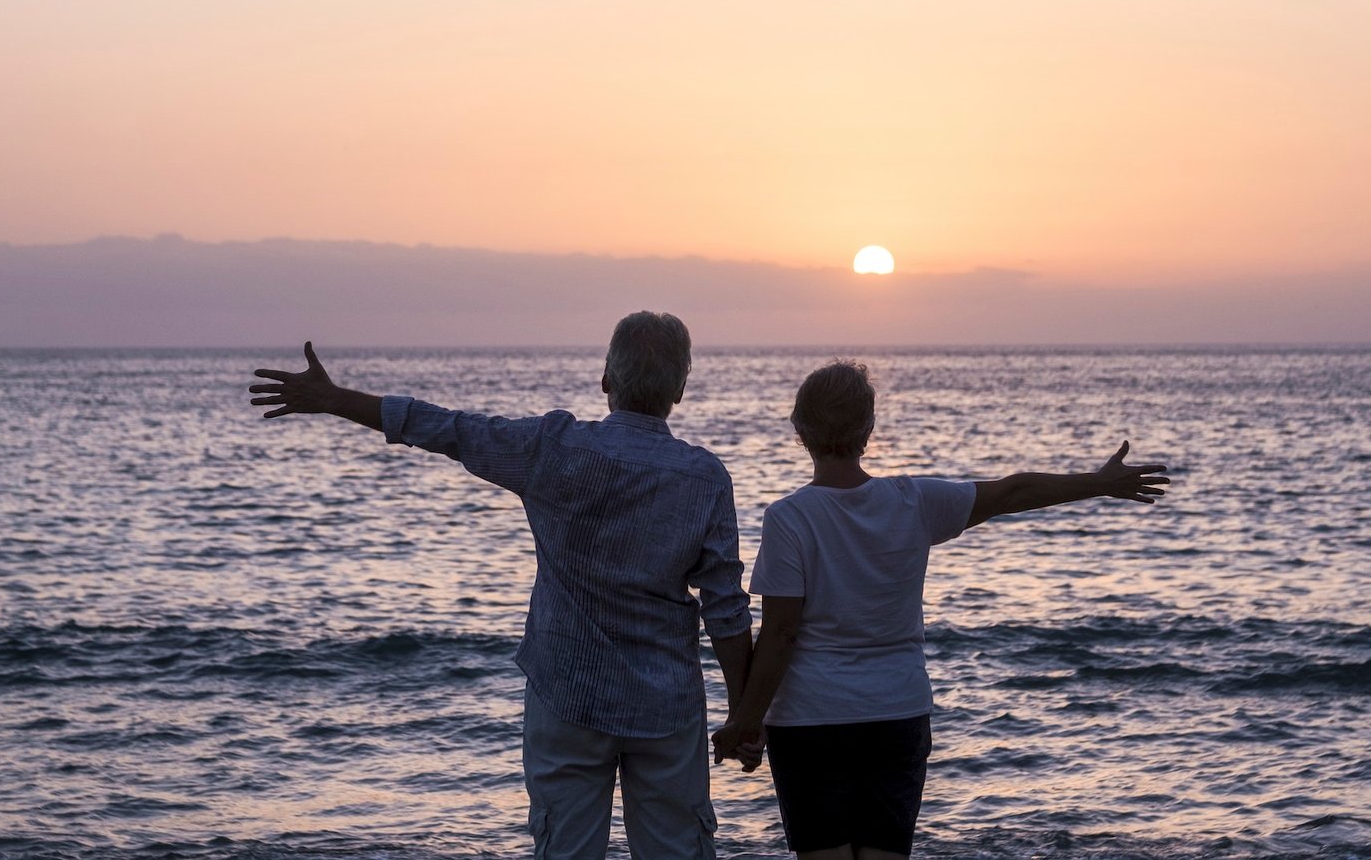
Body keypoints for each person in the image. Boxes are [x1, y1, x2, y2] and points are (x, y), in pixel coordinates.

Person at [249, 312, 754, 860]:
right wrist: (746, 715)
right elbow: (725, 609)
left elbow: (448, 428)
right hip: (665, 706)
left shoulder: (550, 447)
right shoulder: (704, 478)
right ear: (681, 388)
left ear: (606, 379)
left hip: (567, 693)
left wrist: (335, 398)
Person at [711, 360, 1170, 860]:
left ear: (800, 430)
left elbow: (780, 634)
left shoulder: (789, 517)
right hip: (898, 714)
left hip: (811, 721)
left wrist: (746, 720)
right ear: (869, 428)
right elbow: (1012, 491)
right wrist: (1099, 483)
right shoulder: (914, 500)